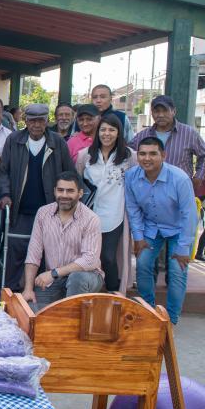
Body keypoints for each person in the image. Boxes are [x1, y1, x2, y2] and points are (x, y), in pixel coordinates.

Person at [0, 103, 74, 291]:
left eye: (41, 120)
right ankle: (10, 291)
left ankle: (39, 293)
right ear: (25, 121)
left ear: (48, 121)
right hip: (19, 208)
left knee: (44, 252)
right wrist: (5, 194)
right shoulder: (14, 140)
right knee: (15, 250)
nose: (37, 125)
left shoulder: (57, 142)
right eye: (32, 121)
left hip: (49, 208)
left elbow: (69, 173)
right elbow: (4, 171)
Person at [126, 137, 197, 325]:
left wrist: (183, 247)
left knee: (177, 270)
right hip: (152, 228)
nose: (146, 158)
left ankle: (170, 320)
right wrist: (138, 237)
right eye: (142, 153)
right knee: (142, 263)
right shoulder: (132, 176)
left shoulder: (179, 178)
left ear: (163, 155)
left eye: (153, 154)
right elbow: (133, 209)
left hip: (179, 229)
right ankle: (148, 313)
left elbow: (189, 215)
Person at [22, 172, 104, 309]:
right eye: (60, 190)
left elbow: (90, 260)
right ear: (54, 191)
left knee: (77, 278)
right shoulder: (43, 213)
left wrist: (54, 273)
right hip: (55, 280)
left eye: (70, 191)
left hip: (87, 277)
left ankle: (73, 323)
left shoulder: (91, 219)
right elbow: (33, 254)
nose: (64, 195)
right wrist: (28, 289)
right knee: (32, 312)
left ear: (80, 193)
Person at [75, 114, 137, 294]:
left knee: (109, 256)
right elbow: (77, 182)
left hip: (115, 214)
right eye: (103, 129)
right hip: (88, 214)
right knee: (87, 255)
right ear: (97, 131)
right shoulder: (84, 156)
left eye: (112, 129)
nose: (107, 134)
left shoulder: (129, 157)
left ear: (119, 133)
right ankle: (88, 292)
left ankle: (113, 292)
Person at [129, 95, 205, 190]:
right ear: (152, 113)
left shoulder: (189, 133)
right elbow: (128, 155)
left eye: (165, 110)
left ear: (174, 111)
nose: (161, 115)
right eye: (156, 111)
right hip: (149, 190)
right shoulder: (141, 136)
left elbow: (203, 155)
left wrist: (198, 177)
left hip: (179, 189)